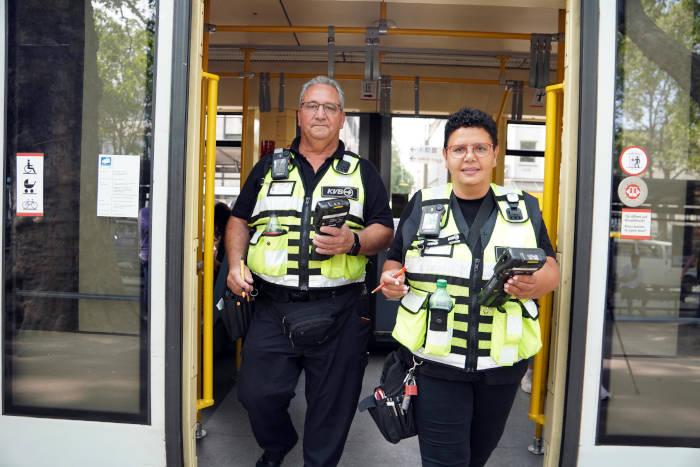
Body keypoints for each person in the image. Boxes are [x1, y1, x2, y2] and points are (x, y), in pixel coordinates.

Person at [226, 76, 394, 467]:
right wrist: (235, 263)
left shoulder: (362, 172)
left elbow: (383, 229)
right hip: (272, 307)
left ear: (341, 119)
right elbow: (238, 220)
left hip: (341, 310)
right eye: (313, 106)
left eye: (330, 107)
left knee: (332, 409)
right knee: (256, 394)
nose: (321, 113)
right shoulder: (268, 168)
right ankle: (278, 441)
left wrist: (353, 241)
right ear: (300, 115)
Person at [379, 107, 560, 467]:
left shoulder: (524, 208)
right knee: (445, 461)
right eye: (459, 149)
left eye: (479, 148)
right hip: (437, 363)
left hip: (501, 363)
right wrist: (390, 281)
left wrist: (536, 283)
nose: (469, 157)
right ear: (446, 156)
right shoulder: (422, 204)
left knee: (478, 457)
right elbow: (395, 261)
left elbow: (551, 268)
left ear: (495, 153)